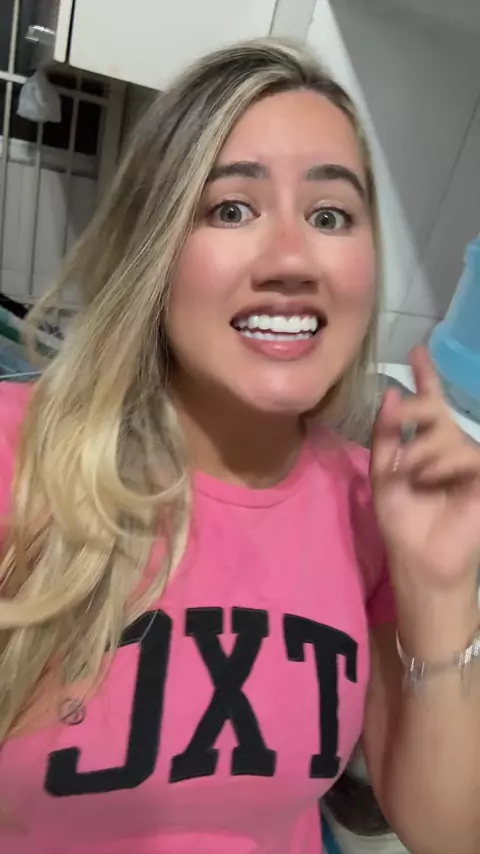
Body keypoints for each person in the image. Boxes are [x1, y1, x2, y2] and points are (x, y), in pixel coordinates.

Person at [0, 39, 479, 854]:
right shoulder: (20, 454)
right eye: (231, 209)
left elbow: (447, 834)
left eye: (329, 216)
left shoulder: (375, 506)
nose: (293, 260)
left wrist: (441, 595)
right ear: (154, 249)